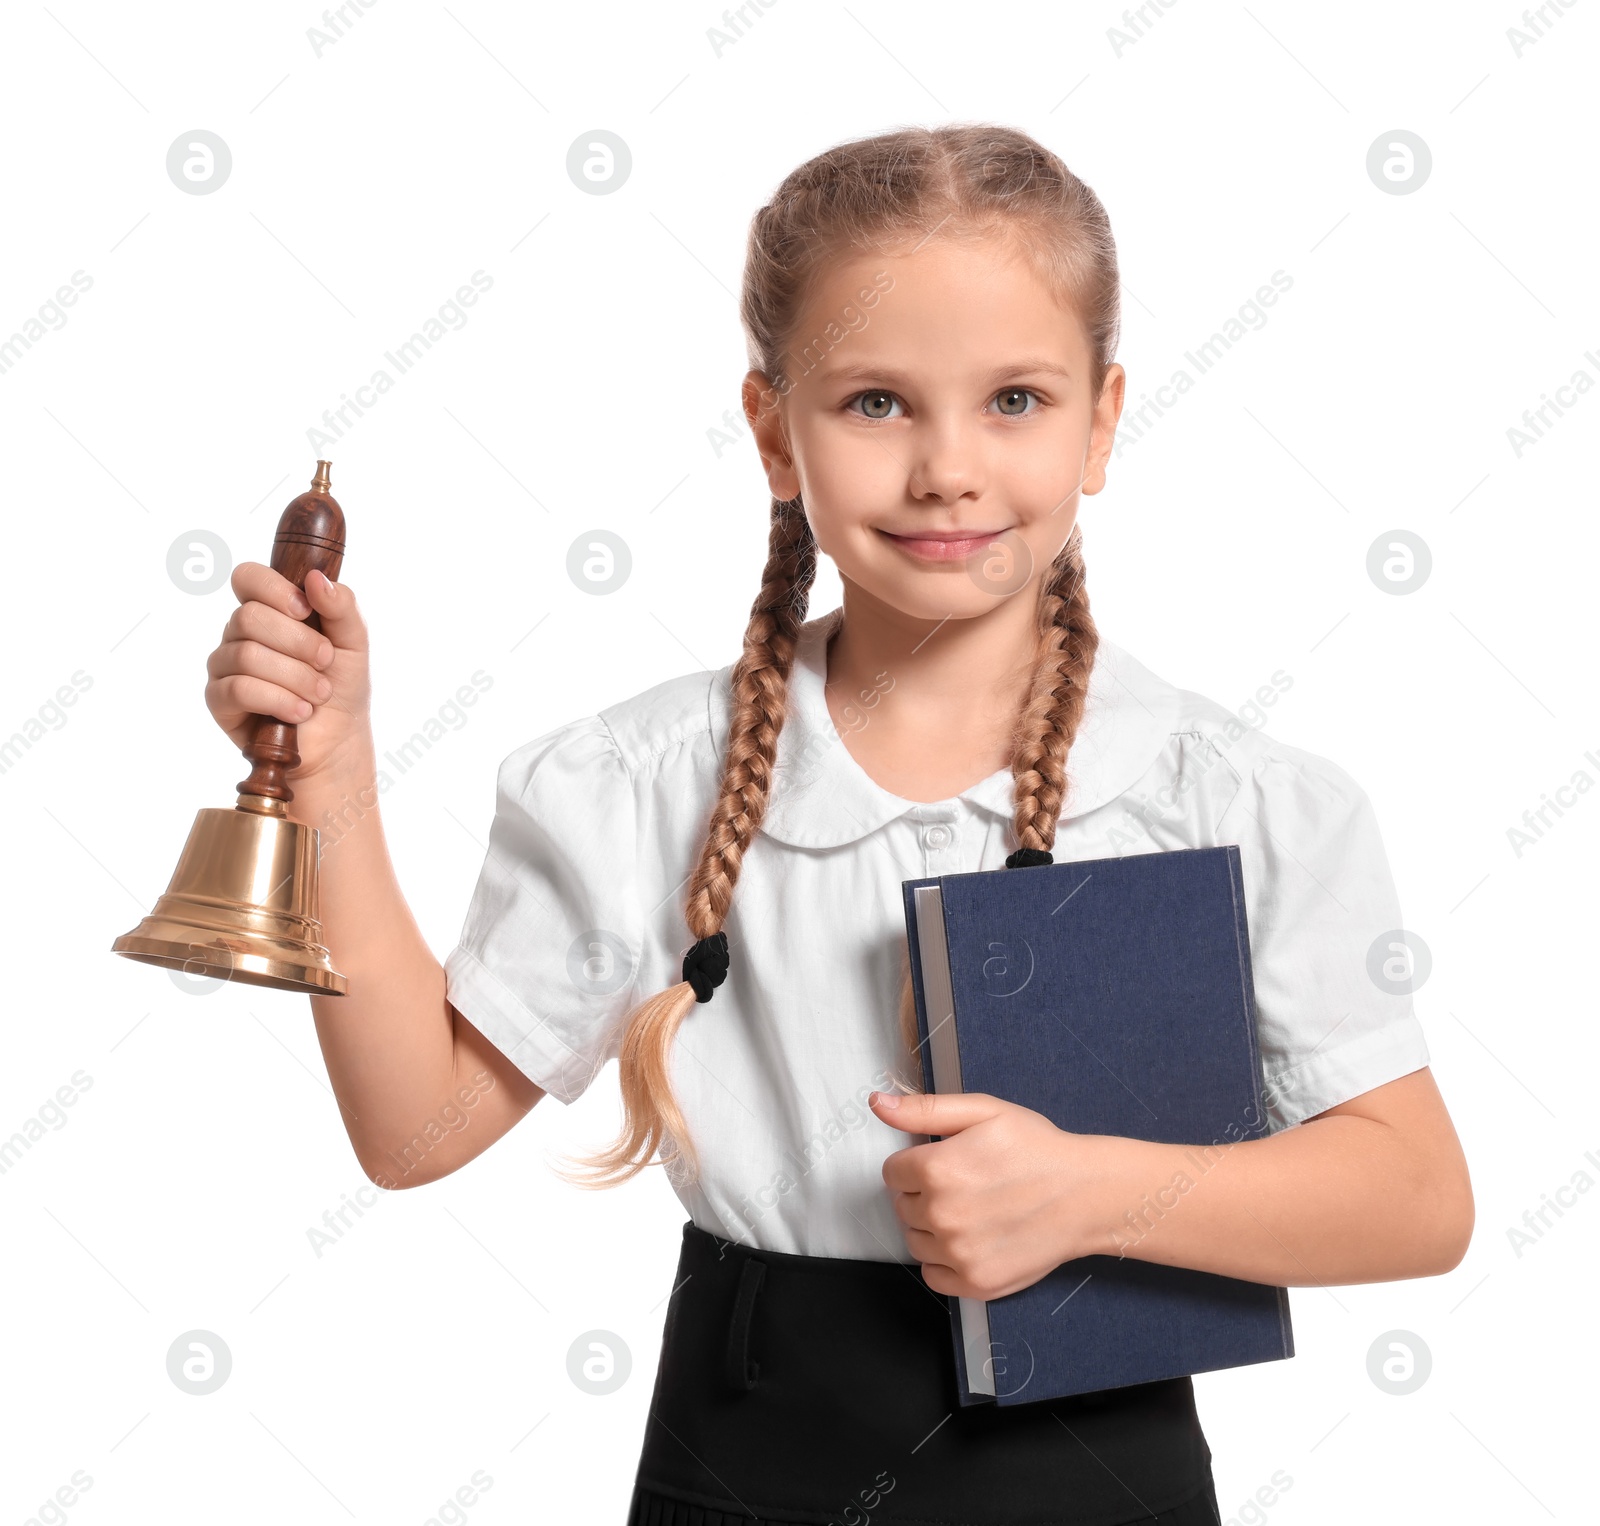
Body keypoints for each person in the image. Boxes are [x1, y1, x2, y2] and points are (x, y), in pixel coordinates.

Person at [204, 124, 1474, 1526]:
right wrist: (331, 780)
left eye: (1015, 400)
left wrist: (1094, 1195)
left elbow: (1417, 1192)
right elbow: (413, 1125)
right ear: (774, 431)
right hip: (745, 1457)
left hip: (1099, 1468)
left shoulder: (1236, 797)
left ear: (1102, 422)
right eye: (876, 402)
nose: (946, 468)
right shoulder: (647, 781)